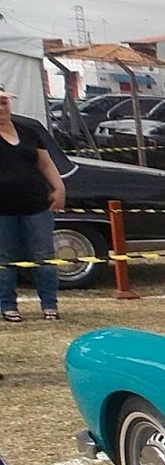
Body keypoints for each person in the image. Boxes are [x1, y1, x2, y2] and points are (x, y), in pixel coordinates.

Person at [0, 85, 67, 323]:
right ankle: (7, 306)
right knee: (5, 259)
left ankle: (49, 305)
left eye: (4, 102)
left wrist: (59, 188)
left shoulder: (28, 131)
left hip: (37, 205)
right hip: (2, 210)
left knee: (44, 257)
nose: (1, 108)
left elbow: (45, 164)